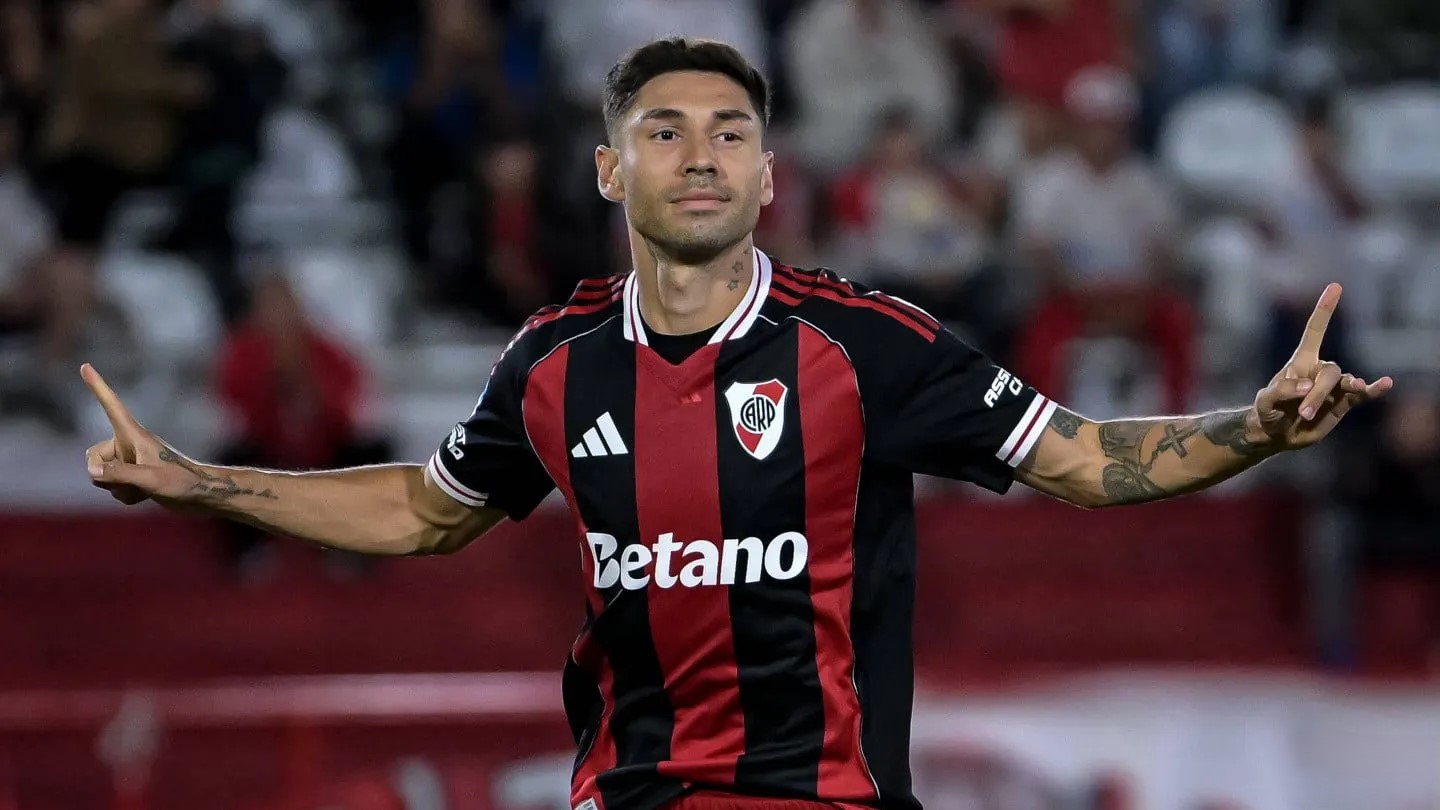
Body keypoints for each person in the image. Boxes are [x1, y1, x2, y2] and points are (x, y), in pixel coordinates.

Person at [80, 38, 1392, 810]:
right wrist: (202, 480)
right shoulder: (552, 366)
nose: (700, 152)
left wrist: (1255, 430)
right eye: (665, 130)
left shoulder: (866, 347)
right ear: (612, 168)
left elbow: (1086, 461)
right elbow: (422, 510)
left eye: (730, 132)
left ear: (769, 175)